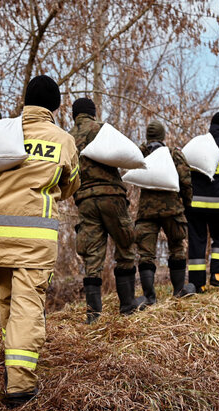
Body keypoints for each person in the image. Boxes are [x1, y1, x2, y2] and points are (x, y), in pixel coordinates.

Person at [0, 75, 80, 407]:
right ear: (55, 106)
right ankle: (20, 385)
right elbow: (70, 186)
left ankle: (13, 362)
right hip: (34, 235)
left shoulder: (3, 134)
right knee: (27, 305)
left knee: (8, 298)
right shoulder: (62, 140)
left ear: (25, 101)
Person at [70, 98, 146, 324]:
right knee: (125, 246)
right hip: (111, 196)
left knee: (92, 256)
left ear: (74, 115)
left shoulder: (66, 138)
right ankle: (127, 306)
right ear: (93, 113)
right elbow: (127, 152)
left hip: (84, 199)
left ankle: (93, 316)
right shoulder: (103, 130)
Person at [135, 120, 194, 303]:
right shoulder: (173, 154)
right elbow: (186, 180)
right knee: (176, 248)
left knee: (146, 254)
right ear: (163, 136)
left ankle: (150, 297)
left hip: (146, 212)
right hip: (172, 210)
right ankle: (178, 292)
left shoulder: (140, 153)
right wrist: (187, 204)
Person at [186, 111, 219, 292]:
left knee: (197, 240)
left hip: (195, 204)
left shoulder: (197, 143)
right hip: (216, 202)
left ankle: (196, 284)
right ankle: (218, 275)